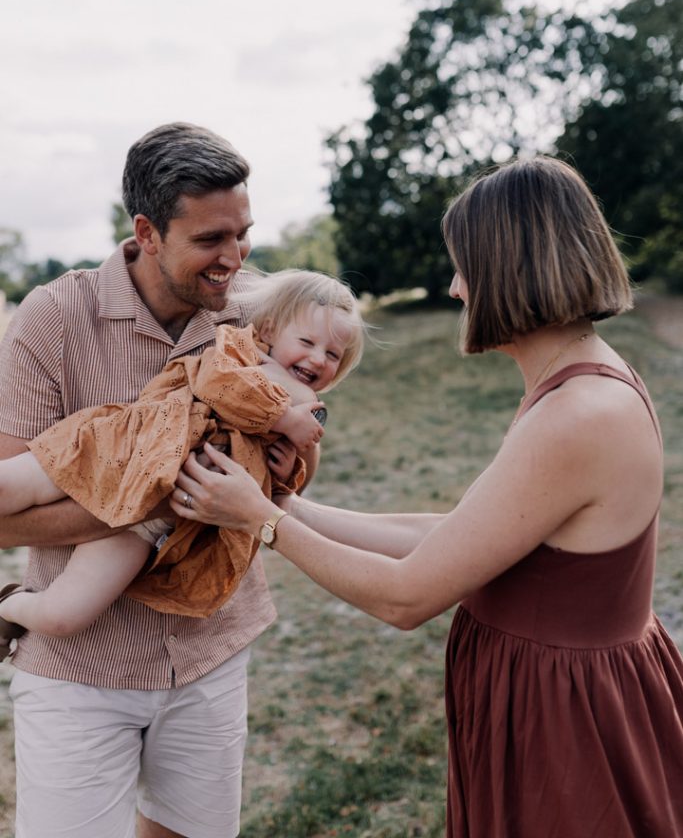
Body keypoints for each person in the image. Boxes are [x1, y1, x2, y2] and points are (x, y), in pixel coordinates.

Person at [169, 156, 683, 837]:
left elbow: (406, 595)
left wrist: (260, 521)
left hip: (569, 719)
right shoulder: (580, 380)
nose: (454, 288)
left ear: (510, 268)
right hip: (560, 694)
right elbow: (460, 533)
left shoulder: (579, 414)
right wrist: (284, 504)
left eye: (464, 266)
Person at [0, 122, 320, 838]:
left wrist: (275, 468)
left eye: (242, 234)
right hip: (82, 668)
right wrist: (158, 500)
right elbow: (2, 512)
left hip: (212, 649)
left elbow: (278, 467)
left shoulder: (252, 318)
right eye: (211, 240)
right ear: (146, 231)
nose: (234, 259)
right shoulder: (52, 319)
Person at [0, 268, 364, 641]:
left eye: (333, 354)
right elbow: (214, 384)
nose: (318, 359)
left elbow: (270, 495)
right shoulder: (242, 353)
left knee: (65, 616)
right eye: (307, 341)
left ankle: (9, 606)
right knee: (7, 487)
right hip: (124, 447)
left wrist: (285, 471)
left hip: (149, 520)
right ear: (269, 332)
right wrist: (285, 415)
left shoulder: (302, 408)